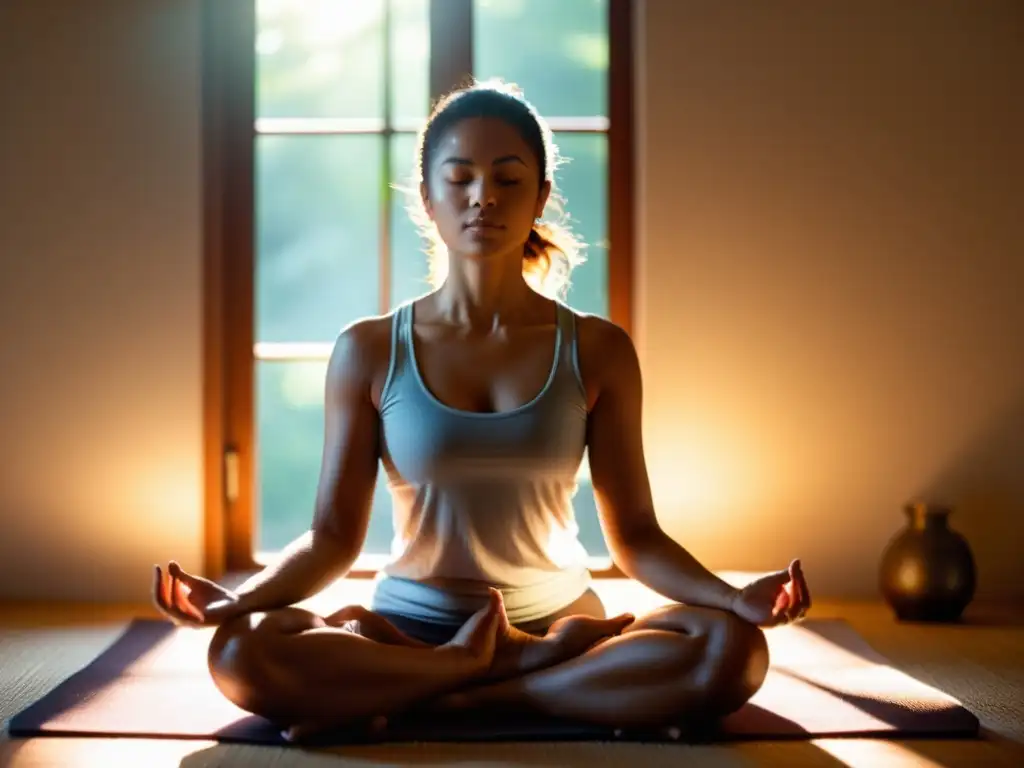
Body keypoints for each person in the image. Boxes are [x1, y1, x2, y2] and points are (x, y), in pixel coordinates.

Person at [153, 80, 811, 742]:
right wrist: (241, 601)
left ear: (541, 198)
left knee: (732, 648)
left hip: (558, 627)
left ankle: (442, 696)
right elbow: (332, 538)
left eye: (507, 177)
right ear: (428, 200)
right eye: (460, 177)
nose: (483, 197)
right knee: (244, 648)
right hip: (407, 630)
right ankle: (496, 681)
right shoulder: (370, 350)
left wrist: (733, 598)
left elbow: (636, 534)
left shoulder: (598, 349)